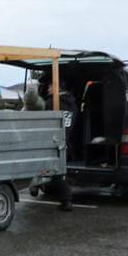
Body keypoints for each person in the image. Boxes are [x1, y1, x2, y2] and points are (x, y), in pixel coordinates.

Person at [41, 76, 77, 212]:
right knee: (60, 171)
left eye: (50, 86)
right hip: (66, 141)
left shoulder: (51, 103)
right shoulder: (72, 103)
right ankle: (64, 199)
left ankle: (66, 201)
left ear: (57, 88)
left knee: (57, 172)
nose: (48, 89)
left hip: (53, 141)